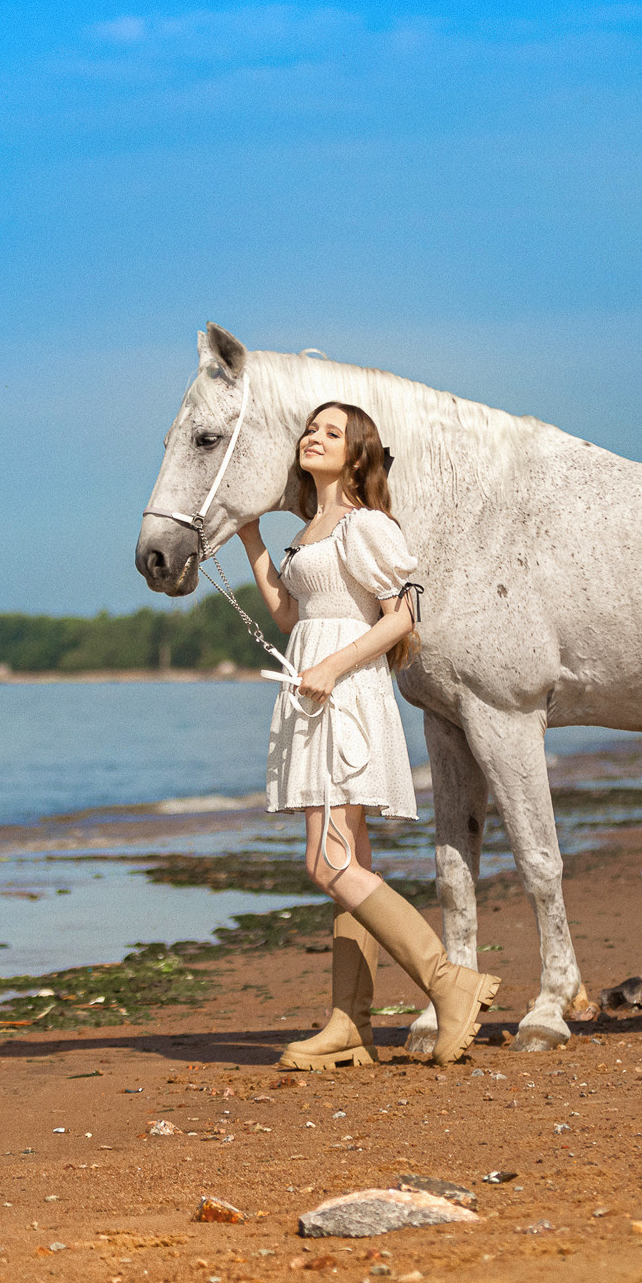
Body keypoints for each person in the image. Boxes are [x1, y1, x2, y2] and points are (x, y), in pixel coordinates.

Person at [238, 400, 501, 1068]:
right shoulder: (314, 527)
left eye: (332, 432)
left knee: (325, 863)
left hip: (344, 693)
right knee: (349, 861)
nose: (313, 437)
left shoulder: (365, 526)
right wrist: (251, 541)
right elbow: (292, 613)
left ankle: (448, 982)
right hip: (314, 686)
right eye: (310, 428)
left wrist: (331, 664)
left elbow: (401, 618)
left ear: (358, 454)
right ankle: (350, 1024)